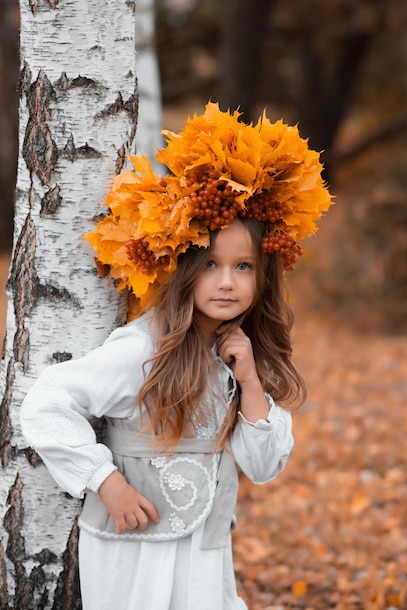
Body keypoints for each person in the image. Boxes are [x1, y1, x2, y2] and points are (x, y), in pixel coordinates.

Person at [20, 102, 332, 610]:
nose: (227, 282)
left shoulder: (236, 356)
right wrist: (105, 481)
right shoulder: (144, 348)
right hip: (133, 548)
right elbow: (46, 401)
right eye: (210, 264)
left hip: (204, 549)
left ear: (263, 275)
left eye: (244, 267)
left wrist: (251, 382)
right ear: (184, 267)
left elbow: (264, 465)